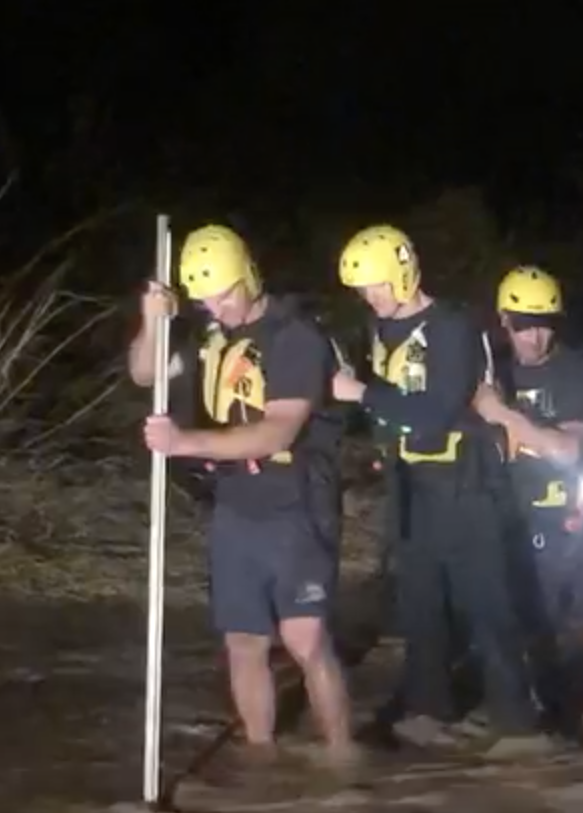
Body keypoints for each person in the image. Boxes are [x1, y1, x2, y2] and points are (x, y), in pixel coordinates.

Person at [129, 224, 356, 765]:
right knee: (244, 641)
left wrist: (185, 441)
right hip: (235, 503)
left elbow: (278, 429)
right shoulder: (208, 333)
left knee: (304, 639)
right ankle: (262, 759)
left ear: (249, 276)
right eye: (205, 298)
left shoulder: (295, 337)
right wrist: (151, 324)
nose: (218, 308)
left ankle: (343, 758)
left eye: (225, 294)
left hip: (295, 498)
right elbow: (145, 373)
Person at [330, 224, 549, 756]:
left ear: (405, 273)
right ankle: (430, 708)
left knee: (486, 602)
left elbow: (433, 414)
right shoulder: (379, 329)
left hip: (467, 483)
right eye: (363, 289)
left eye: (378, 285)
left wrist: (359, 391)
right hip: (413, 483)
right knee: (421, 601)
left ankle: (519, 723)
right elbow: (391, 415)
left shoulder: (452, 326)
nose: (370, 296)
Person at [470, 265, 583, 732]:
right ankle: (539, 714)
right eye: (524, 324)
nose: (535, 336)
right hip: (522, 521)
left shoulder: (579, 372)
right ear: (504, 321)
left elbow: (567, 450)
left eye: (545, 323)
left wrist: (502, 413)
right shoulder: (490, 371)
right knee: (531, 626)